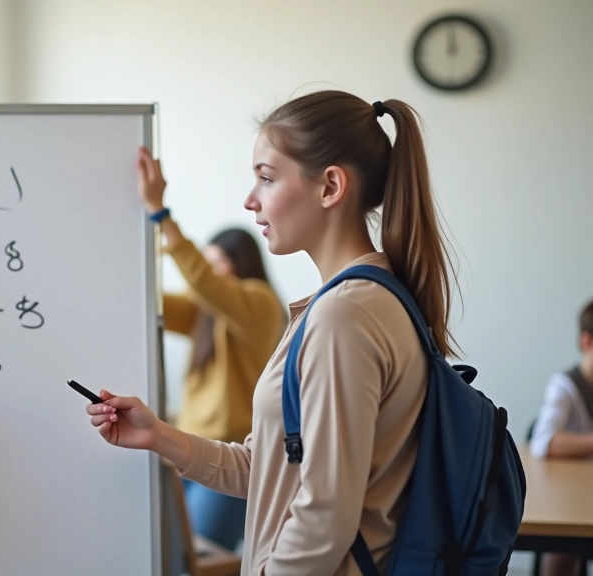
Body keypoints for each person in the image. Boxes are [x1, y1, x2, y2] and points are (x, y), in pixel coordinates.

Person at [85, 91, 459, 574]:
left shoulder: (347, 316)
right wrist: (159, 436)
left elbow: (323, 518)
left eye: (266, 177)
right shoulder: (354, 303)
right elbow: (274, 468)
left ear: (329, 187)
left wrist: (161, 217)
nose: (250, 199)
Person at [148, 166, 284, 551]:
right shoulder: (203, 315)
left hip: (232, 457)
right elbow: (150, 300)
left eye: (217, 263)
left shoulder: (260, 303)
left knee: (201, 559)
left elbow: (203, 281)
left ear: (240, 265)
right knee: (176, 557)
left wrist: (162, 216)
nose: (208, 274)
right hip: (185, 451)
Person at [528, 299, 593, 575]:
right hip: (569, 501)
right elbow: (544, 443)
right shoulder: (565, 386)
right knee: (562, 549)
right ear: (587, 342)